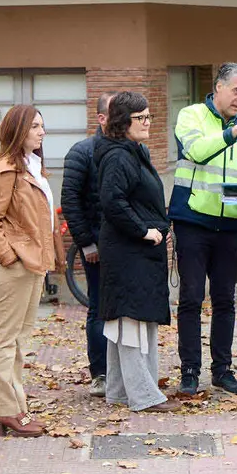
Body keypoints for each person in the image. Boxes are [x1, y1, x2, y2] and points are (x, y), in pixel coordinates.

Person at [169, 62, 237, 396]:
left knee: (225, 299)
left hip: (230, 224)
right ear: (219, 87)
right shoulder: (191, 115)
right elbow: (196, 151)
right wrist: (234, 131)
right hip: (193, 221)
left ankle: (222, 370)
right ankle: (190, 371)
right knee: (191, 299)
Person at [94, 92, 182, 413]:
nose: (148, 123)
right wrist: (144, 230)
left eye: (149, 116)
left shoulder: (133, 151)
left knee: (131, 320)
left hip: (137, 251)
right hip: (129, 251)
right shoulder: (118, 157)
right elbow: (113, 202)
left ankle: (119, 391)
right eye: (141, 118)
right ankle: (144, 396)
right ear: (122, 123)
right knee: (130, 322)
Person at [0, 105, 64, 436]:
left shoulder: (34, 167)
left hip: (33, 264)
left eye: (43, 126)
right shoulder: (5, 172)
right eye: (34, 127)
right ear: (17, 132)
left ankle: (15, 407)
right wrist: (8, 256)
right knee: (3, 339)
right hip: (13, 266)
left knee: (18, 339)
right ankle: (6, 411)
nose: (41, 132)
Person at [62, 91, 116, 398]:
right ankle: (101, 374)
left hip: (125, 246)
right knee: (98, 307)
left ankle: (121, 370)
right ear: (101, 118)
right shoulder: (82, 152)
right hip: (96, 244)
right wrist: (86, 243)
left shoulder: (131, 148)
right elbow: (70, 200)